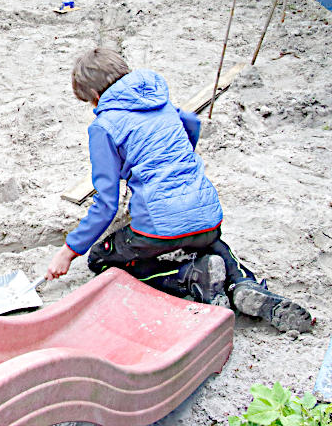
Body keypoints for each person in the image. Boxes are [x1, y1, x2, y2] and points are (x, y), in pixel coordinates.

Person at [46, 47, 313, 333]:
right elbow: (191, 123)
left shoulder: (104, 126)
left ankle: (188, 276)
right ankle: (243, 284)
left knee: (102, 258)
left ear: (95, 97)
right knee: (206, 241)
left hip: (159, 228)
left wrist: (69, 251)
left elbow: (106, 204)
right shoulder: (157, 99)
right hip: (208, 216)